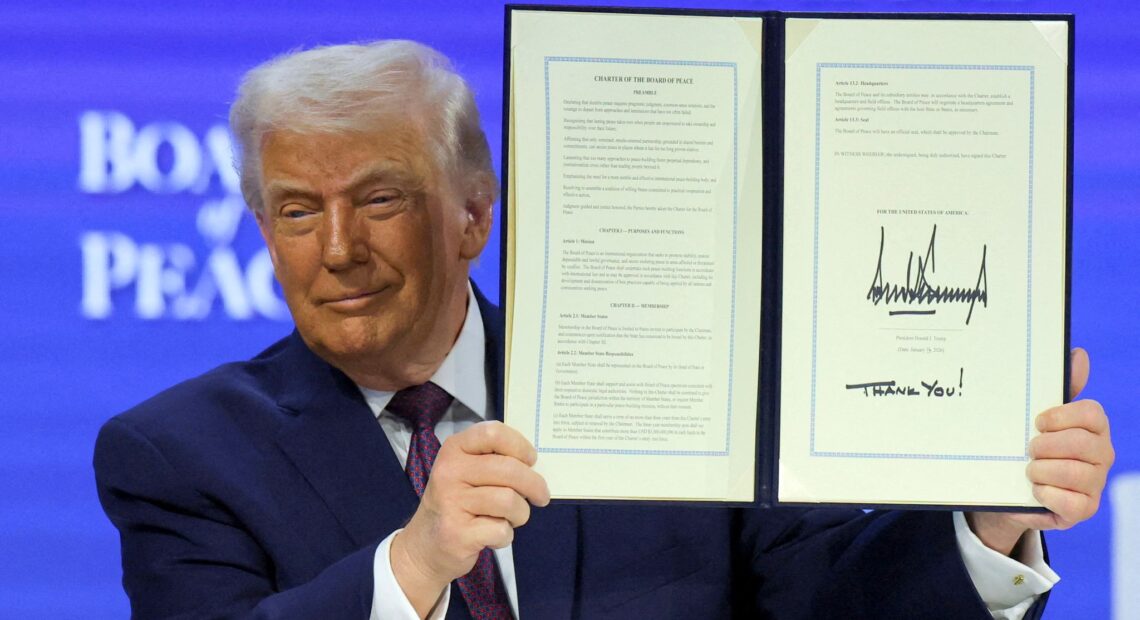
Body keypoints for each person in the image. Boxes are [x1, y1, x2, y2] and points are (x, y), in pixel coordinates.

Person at [94, 40, 1114, 620]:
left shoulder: (676, 380)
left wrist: (985, 520)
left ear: (475, 214)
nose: (338, 248)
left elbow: (831, 604)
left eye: (381, 198)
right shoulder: (177, 454)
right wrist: (413, 564)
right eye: (296, 210)